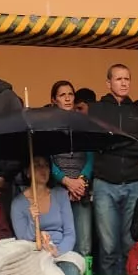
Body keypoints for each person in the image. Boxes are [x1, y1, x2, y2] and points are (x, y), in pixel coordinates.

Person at [89, 63, 138, 275]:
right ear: (108, 83)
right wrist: (128, 142)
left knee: (129, 243)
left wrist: (114, 143)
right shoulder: (97, 109)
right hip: (104, 183)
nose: (124, 83)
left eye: (127, 79)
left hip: (135, 182)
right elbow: (97, 143)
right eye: (119, 79)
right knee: (108, 246)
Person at [10, 152, 83, 275]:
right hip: (32, 252)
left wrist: (57, 251)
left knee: (71, 273)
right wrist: (32, 220)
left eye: (46, 165)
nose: (43, 169)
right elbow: (23, 239)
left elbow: (69, 233)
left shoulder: (60, 194)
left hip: (60, 252)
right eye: (37, 165)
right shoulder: (18, 204)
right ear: (27, 172)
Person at [49, 80, 94, 262]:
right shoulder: (49, 127)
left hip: (81, 190)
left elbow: (90, 156)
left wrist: (81, 182)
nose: (67, 98)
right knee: (61, 244)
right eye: (62, 95)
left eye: (70, 94)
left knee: (84, 245)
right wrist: (66, 181)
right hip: (58, 190)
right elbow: (47, 160)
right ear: (54, 100)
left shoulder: (84, 125)